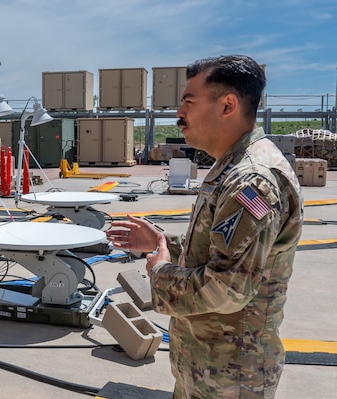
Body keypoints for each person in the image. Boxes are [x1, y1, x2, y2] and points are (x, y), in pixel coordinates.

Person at [107, 55, 303, 398]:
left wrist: (160, 270)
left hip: (230, 377)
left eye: (188, 101)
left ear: (227, 105)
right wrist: (161, 240)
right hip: (206, 368)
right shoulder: (231, 166)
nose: (179, 113)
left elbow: (226, 288)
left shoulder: (252, 180)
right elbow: (220, 251)